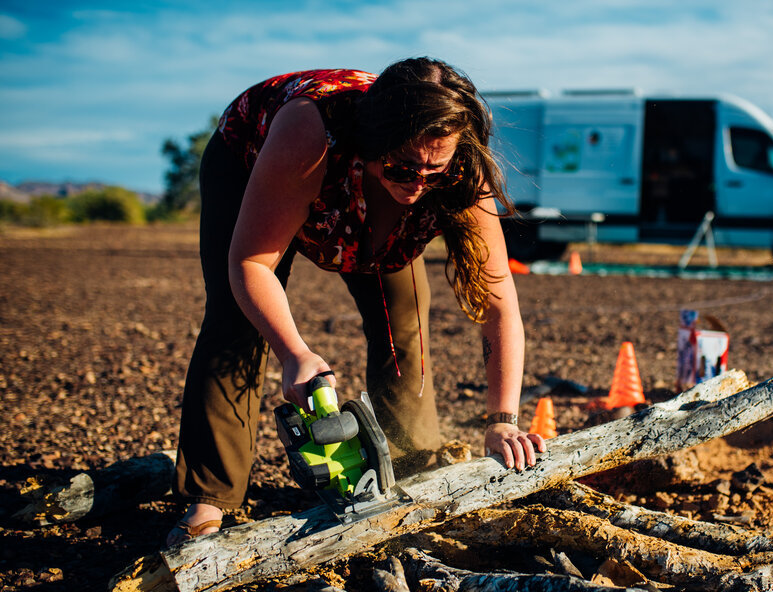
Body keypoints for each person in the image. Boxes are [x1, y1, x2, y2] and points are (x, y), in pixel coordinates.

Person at [167, 58, 545, 546]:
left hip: (366, 183)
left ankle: (412, 462)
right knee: (235, 322)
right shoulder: (309, 133)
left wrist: (502, 421)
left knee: (404, 319)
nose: (417, 186)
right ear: (369, 144)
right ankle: (210, 496)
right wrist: (295, 354)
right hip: (252, 163)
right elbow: (251, 267)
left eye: (435, 171)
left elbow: (499, 308)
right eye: (403, 168)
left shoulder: (459, 173)